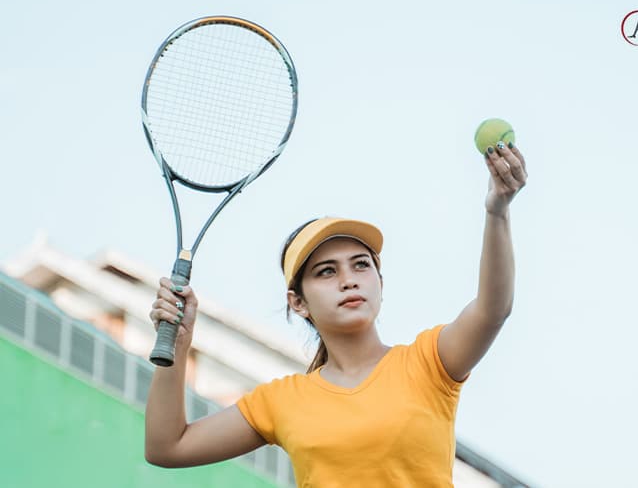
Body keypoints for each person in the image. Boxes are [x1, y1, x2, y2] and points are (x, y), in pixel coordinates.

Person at [144, 141, 528, 486]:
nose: (348, 280)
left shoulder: (429, 363)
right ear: (298, 302)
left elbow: (494, 308)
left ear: (381, 282)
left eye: (361, 265)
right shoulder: (283, 401)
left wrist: (497, 211)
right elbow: (167, 447)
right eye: (326, 271)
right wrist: (177, 346)